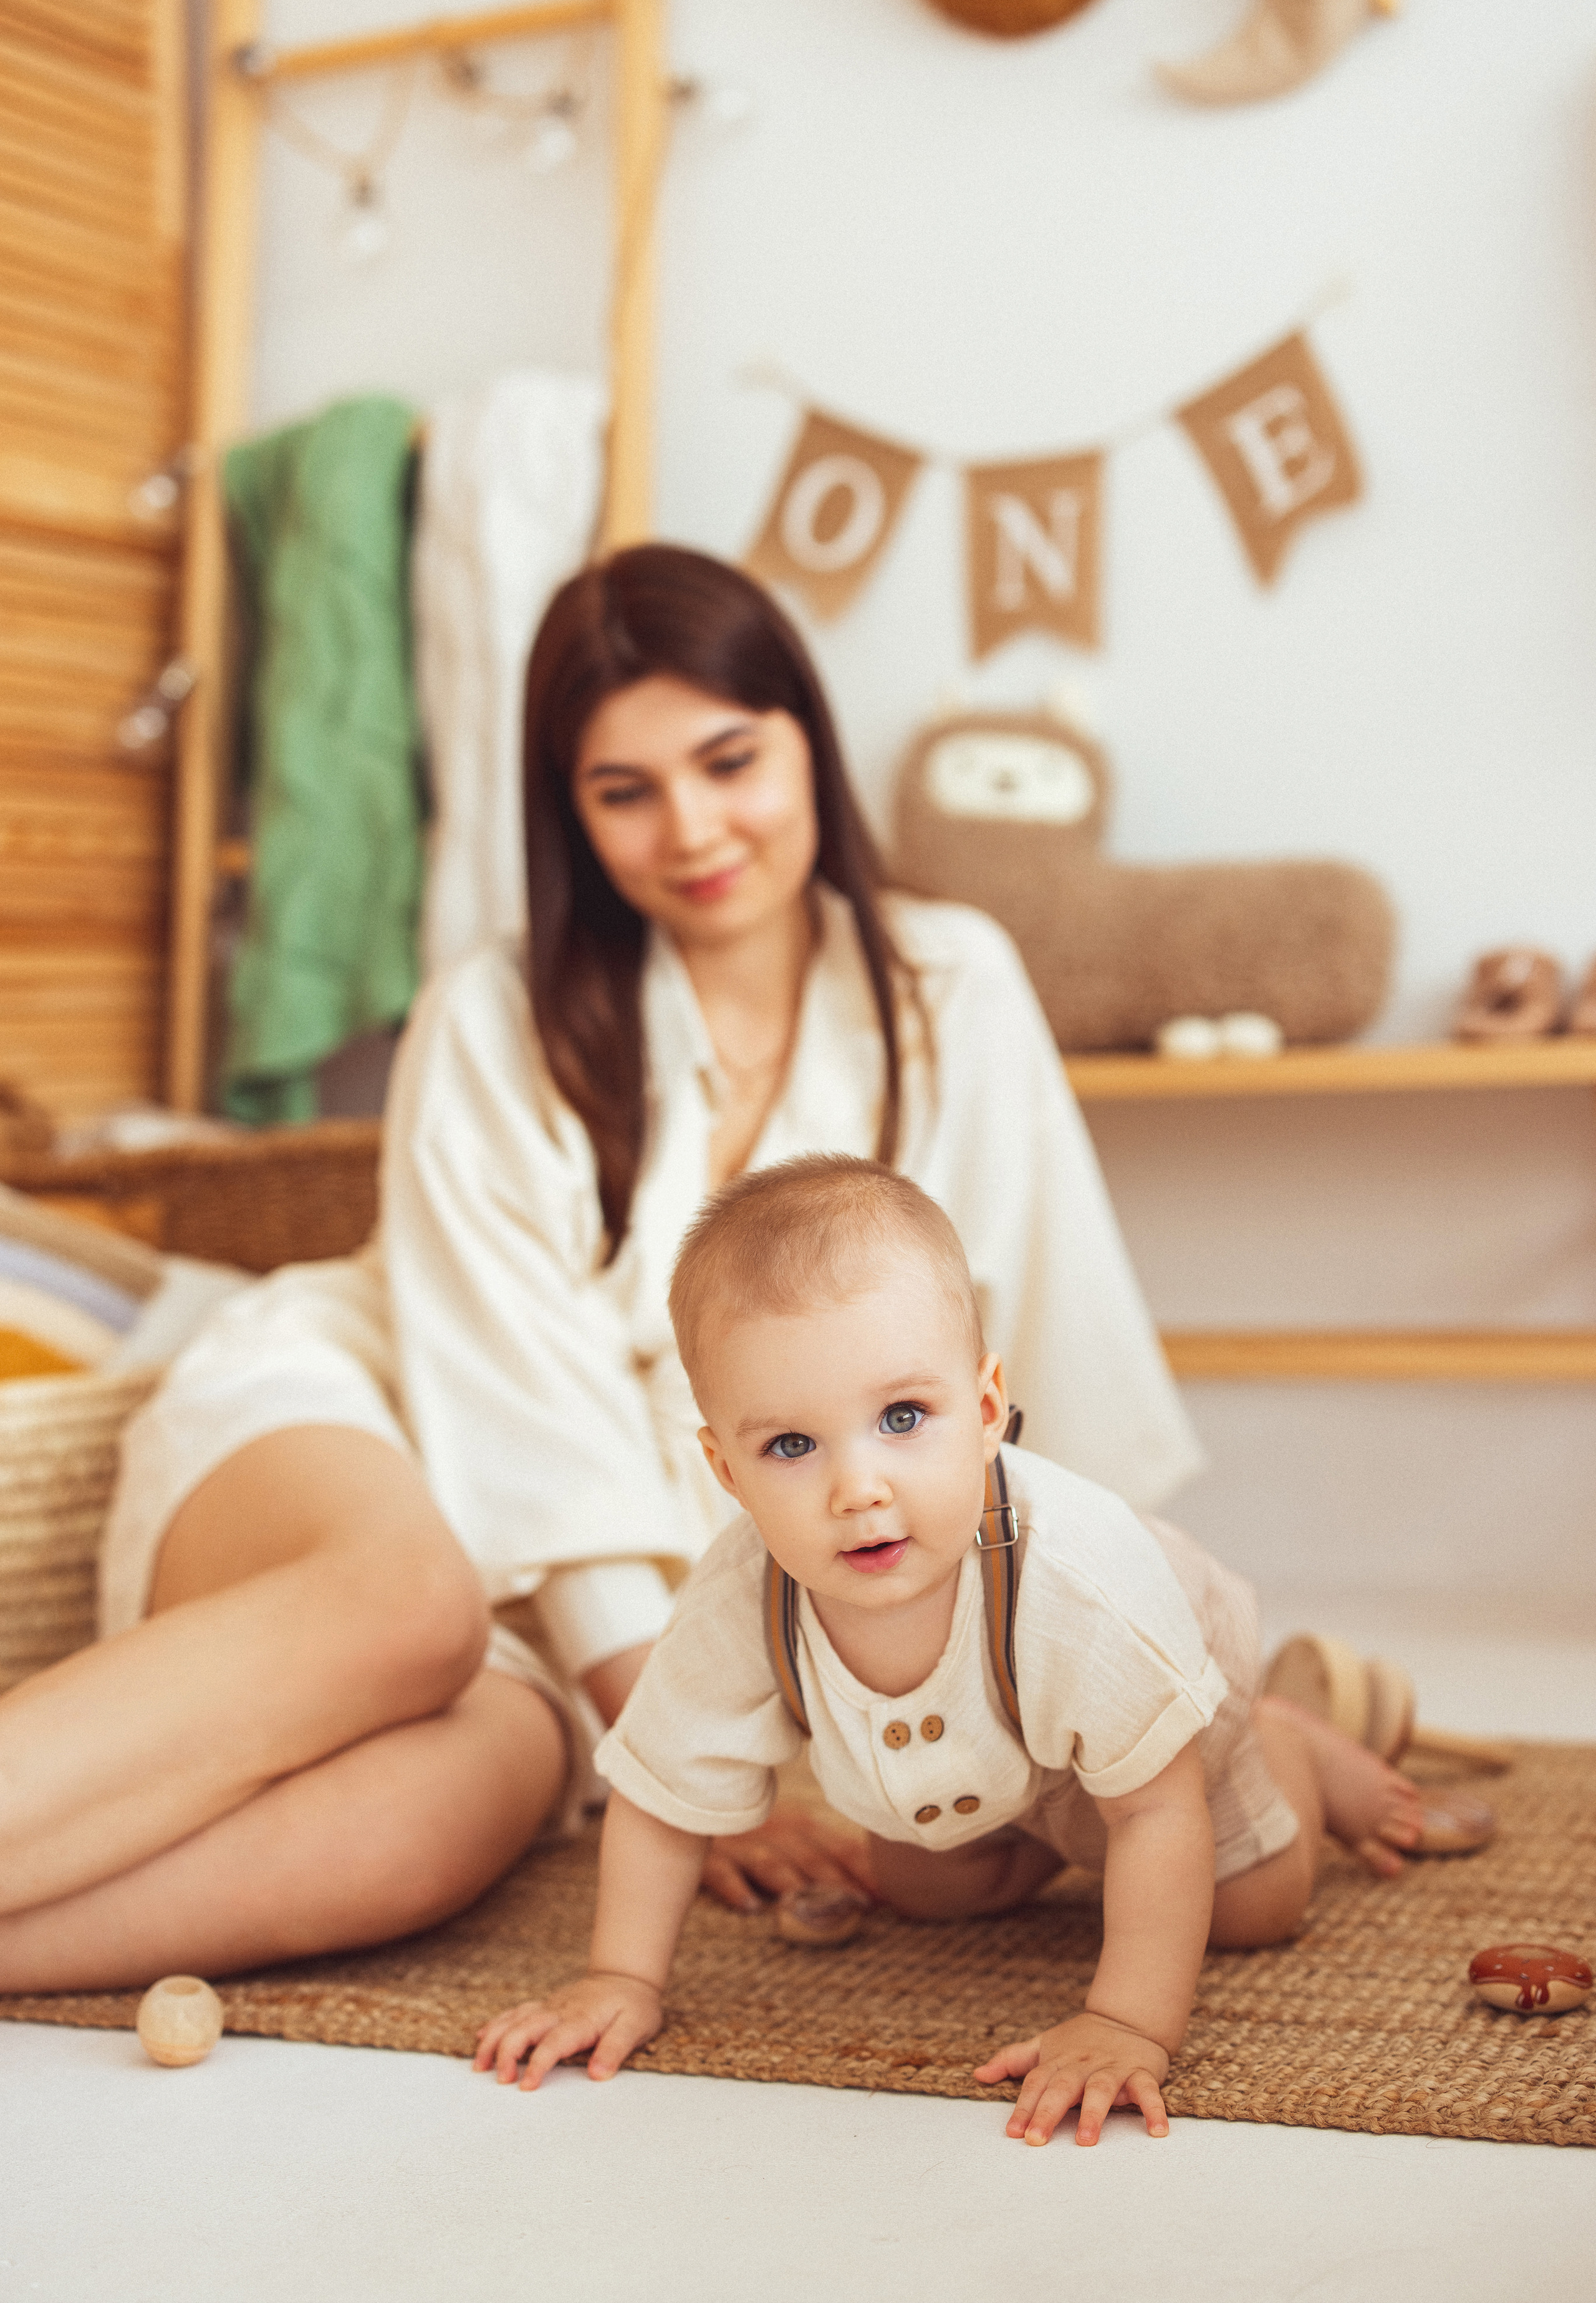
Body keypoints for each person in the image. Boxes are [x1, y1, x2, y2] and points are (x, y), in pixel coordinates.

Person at [0, 545, 1199, 1994]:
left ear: (805, 740)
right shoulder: (493, 1014)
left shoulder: (956, 981)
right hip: (371, 1416)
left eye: (727, 760)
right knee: (411, 1603)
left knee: (441, 1824)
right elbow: (511, 1393)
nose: (689, 826)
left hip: (643, 1592)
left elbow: (1042, 1340)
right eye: (621, 789)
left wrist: (1173, 1667)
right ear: (567, 812)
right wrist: (685, 1736)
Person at [473, 1157, 1430, 2146]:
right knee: (926, 1885)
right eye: (792, 1446)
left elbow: (1154, 1810)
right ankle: (1036, 1822)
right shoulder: (739, 1595)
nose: (859, 1486)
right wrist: (622, 1977)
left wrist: (1124, 2021)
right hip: (1005, 1744)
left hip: (1162, 1703)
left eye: (901, 1418)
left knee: (1249, 1907)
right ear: (725, 1467)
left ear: (983, 1411)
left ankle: (1294, 1744)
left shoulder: (1078, 1583)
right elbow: (662, 1797)